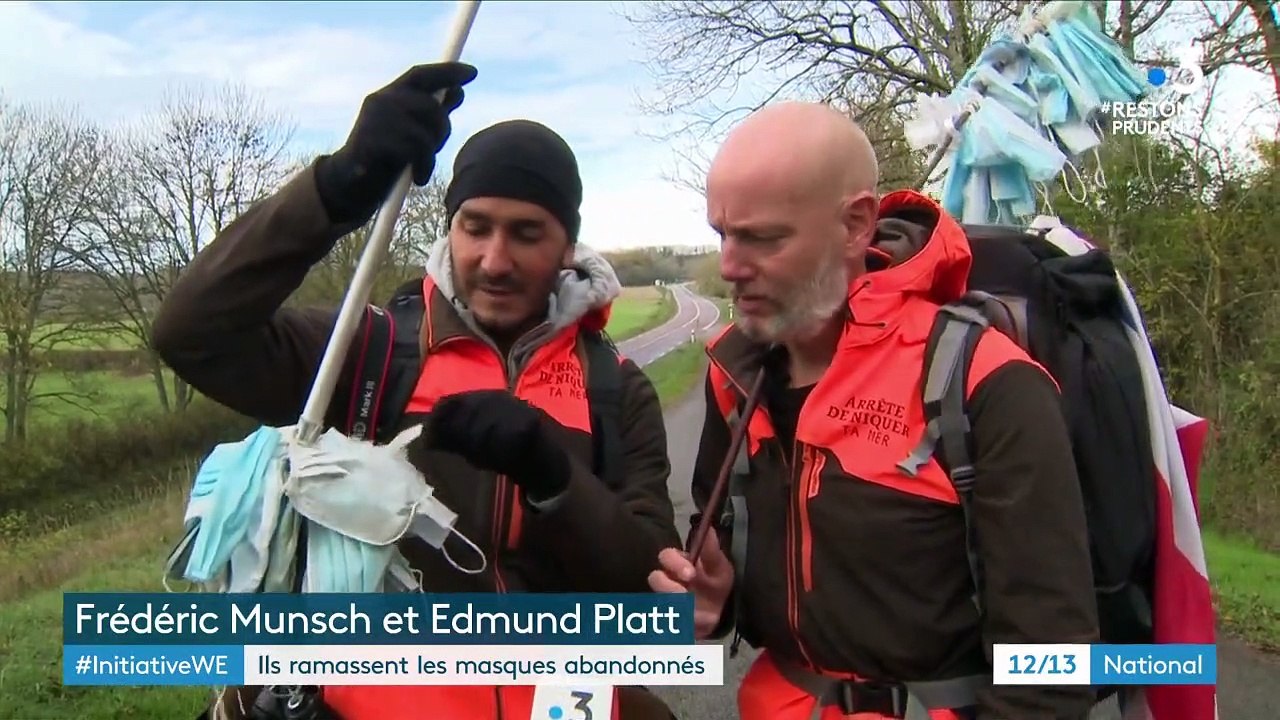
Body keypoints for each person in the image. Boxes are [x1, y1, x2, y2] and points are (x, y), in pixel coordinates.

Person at [152, 62, 682, 720]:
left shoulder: (616, 390)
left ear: (568, 246)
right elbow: (192, 333)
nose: (494, 259)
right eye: (476, 226)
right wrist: (339, 187)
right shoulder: (367, 352)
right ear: (449, 228)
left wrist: (554, 479)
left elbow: (652, 597)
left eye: (526, 233)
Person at [648, 101, 1101, 720]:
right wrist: (719, 597)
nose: (729, 266)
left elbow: (1052, 667)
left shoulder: (985, 383)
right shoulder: (735, 377)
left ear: (856, 225)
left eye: (763, 237)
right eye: (723, 234)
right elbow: (740, 563)